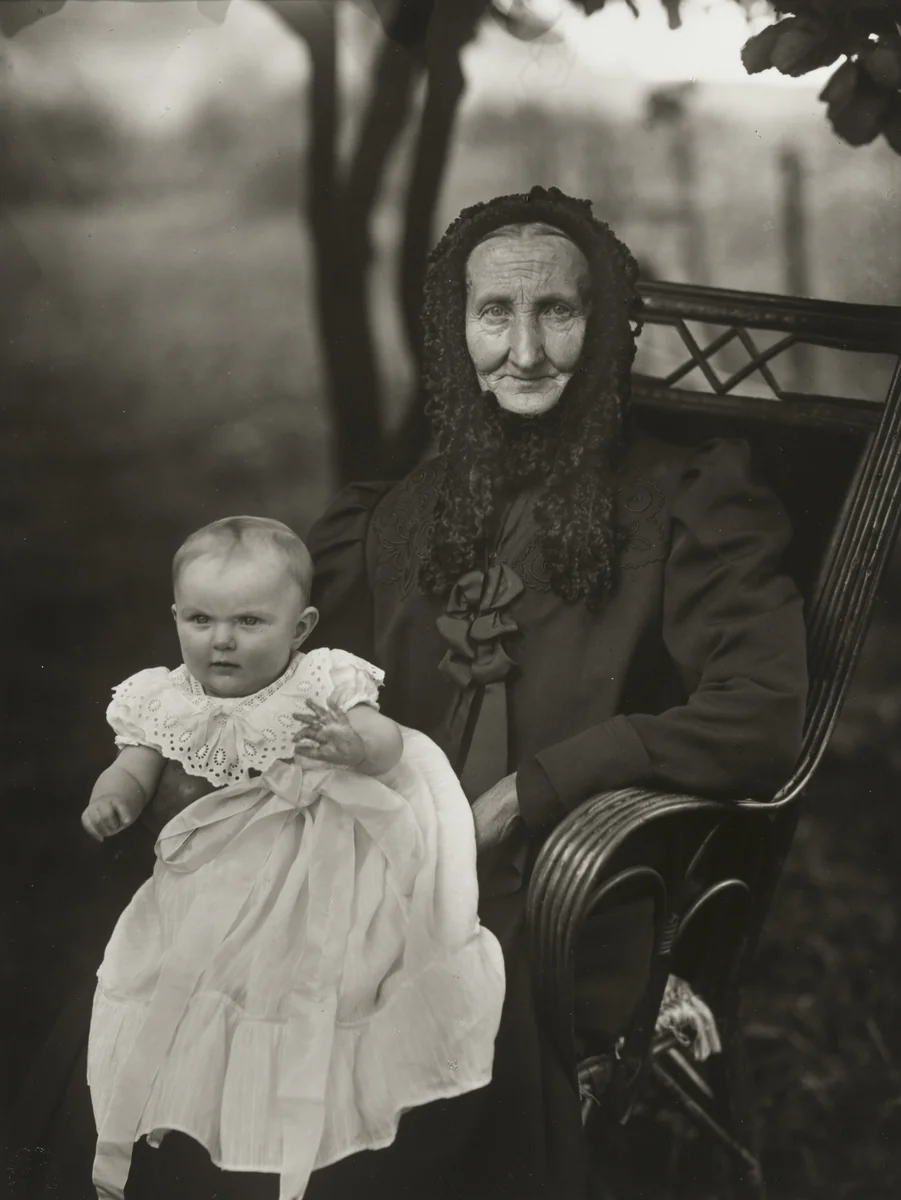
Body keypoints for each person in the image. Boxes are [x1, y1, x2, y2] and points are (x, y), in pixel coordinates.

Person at [11, 187, 807, 1200]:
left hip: (550, 888)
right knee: (166, 993)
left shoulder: (689, 500)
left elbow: (758, 712)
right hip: (355, 859)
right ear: (452, 328)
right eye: (494, 313)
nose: (525, 350)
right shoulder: (402, 511)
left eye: (557, 311)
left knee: (379, 1102)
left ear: (605, 325)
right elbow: (292, 683)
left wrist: (533, 788)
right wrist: (189, 757)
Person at [79, 515, 505, 1200]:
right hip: (216, 874)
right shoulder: (164, 698)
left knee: (308, 983)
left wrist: (353, 746)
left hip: (316, 863)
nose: (221, 640)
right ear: (176, 618)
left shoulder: (319, 681)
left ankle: (292, 1126)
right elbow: (133, 766)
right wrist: (114, 800)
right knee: (187, 980)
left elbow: (387, 743)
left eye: (249, 621)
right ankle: (203, 1112)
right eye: (201, 619)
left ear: (300, 628)